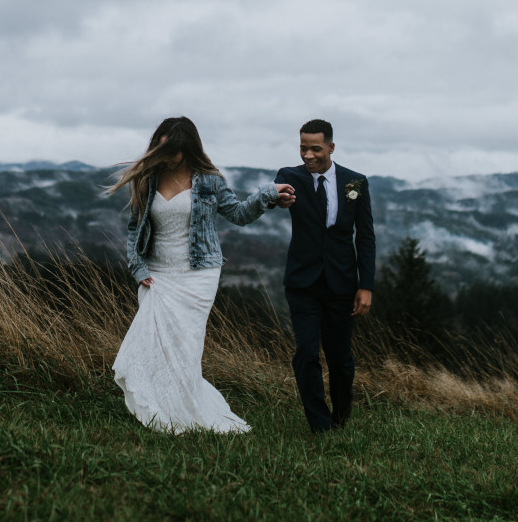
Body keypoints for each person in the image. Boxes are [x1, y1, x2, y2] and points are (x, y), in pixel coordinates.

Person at [110, 116, 296, 433]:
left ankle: (185, 412)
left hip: (199, 274)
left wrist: (267, 194)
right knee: (154, 344)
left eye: (174, 151)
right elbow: (134, 231)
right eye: (162, 148)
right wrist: (137, 266)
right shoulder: (147, 179)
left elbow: (238, 213)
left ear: (189, 149)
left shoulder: (209, 180)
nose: (167, 156)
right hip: (158, 273)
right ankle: (159, 407)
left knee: (185, 347)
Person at [274, 119, 375, 433]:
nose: (308, 155)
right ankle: (320, 425)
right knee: (306, 352)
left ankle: (341, 419)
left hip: (342, 282)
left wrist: (366, 285)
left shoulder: (355, 183)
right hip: (302, 282)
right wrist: (276, 197)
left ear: (331, 147)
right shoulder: (289, 177)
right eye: (303, 147)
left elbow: (366, 237)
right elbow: (278, 195)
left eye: (315, 148)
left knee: (340, 358)